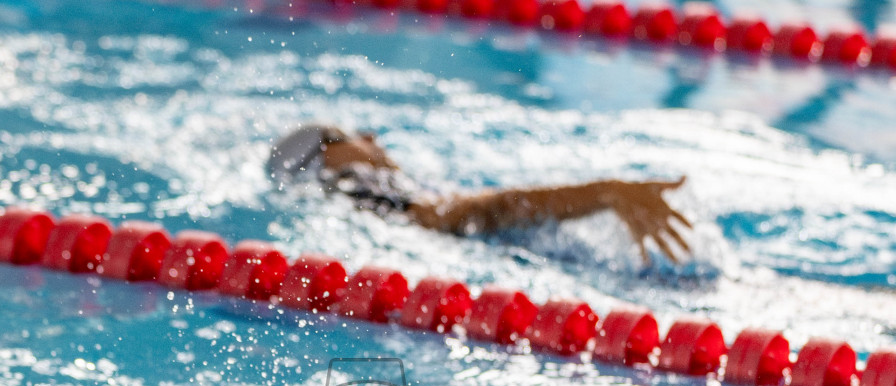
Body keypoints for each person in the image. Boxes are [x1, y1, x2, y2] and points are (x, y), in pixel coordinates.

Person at [267, 124, 693, 265]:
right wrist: (604, 193)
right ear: (328, 155)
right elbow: (451, 217)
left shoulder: (358, 193)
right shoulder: (355, 184)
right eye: (345, 134)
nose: (370, 136)